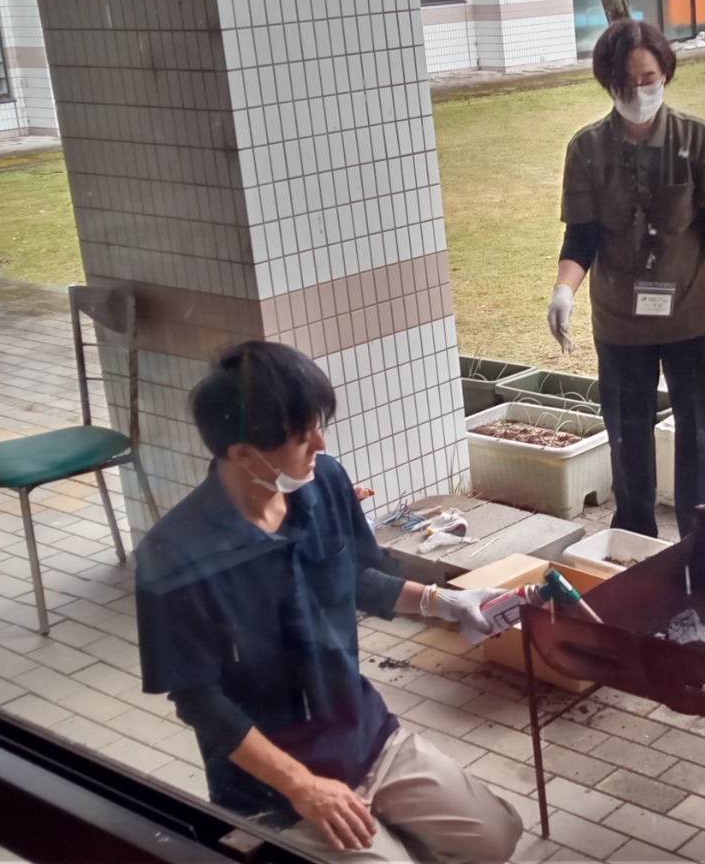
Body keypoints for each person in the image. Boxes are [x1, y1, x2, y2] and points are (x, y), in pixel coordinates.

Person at [136, 341, 525, 864]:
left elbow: (356, 577)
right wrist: (302, 786)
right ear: (242, 453)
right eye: (303, 437)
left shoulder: (325, 483)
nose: (321, 443)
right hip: (275, 786)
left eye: (318, 426)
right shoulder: (175, 552)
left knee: (495, 834)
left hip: (360, 734)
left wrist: (446, 602)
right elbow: (197, 699)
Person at [546, 18, 705, 538]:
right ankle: (634, 545)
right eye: (626, 83)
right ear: (607, 83)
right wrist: (563, 291)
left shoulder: (697, 138)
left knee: (703, 438)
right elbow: (582, 235)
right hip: (620, 321)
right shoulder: (586, 149)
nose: (640, 92)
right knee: (627, 439)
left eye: (649, 79)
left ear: (666, 73)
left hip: (693, 315)